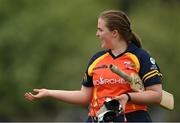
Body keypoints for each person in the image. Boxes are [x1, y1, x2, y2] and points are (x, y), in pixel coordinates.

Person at [25, 10, 163, 122]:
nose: (97, 34)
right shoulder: (97, 59)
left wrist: (128, 97)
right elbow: (84, 96)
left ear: (114, 33)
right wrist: (49, 92)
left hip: (132, 118)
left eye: (100, 30)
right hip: (97, 119)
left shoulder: (141, 57)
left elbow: (156, 95)